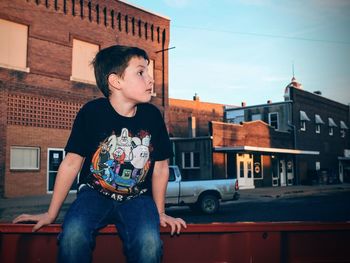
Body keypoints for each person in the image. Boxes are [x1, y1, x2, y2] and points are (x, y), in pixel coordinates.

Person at [13, 45, 187, 263]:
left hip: (138, 198)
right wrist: (51, 214)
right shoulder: (92, 113)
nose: (150, 79)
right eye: (141, 72)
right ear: (116, 81)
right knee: (73, 234)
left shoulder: (152, 116)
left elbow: (160, 167)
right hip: (94, 194)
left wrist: (160, 212)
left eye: (148, 72)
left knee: (149, 243)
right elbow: (71, 163)